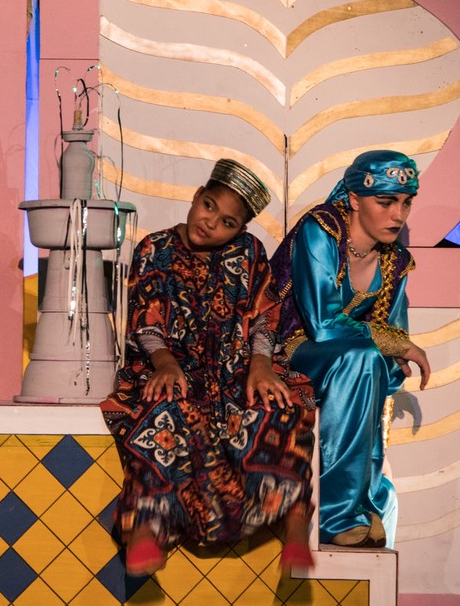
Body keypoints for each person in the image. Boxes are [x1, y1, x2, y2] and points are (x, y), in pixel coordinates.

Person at [100, 158, 316, 576]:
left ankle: (294, 520)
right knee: (162, 408)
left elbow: (264, 315)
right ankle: (145, 526)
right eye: (209, 206)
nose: (210, 223)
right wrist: (164, 363)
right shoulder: (155, 248)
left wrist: (260, 365)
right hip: (167, 363)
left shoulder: (250, 252)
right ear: (198, 195)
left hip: (237, 367)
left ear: (241, 229)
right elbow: (146, 319)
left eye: (227, 222)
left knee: (280, 406)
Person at [269, 150, 431, 549]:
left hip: (348, 362)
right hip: (286, 350)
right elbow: (322, 324)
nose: (398, 215)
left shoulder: (396, 261)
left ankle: (361, 506)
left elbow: (395, 336)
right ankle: (334, 514)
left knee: (371, 366)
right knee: (361, 358)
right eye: (386, 202)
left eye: (405, 203)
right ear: (355, 199)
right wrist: (393, 345)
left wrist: (392, 352)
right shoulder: (321, 229)